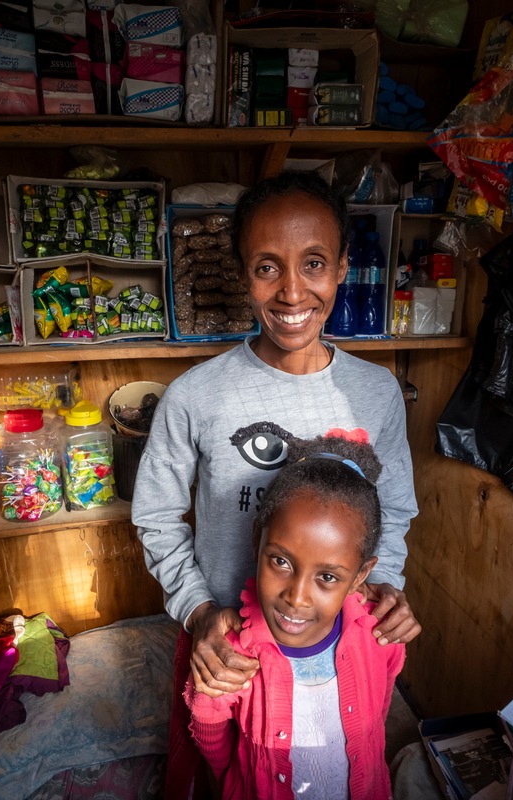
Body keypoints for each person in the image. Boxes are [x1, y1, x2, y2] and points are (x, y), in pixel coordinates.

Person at [132, 171, 420, 794]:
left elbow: (393, 510)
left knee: (342, 763)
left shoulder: (374, 393)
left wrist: (387, 581)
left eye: (313, 263)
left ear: (343, 267)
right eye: (268, 267)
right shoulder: (197, 397)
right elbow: (155, 517)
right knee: (221, 773)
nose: (292, 290)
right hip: (227, 646)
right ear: (243, 274)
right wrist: (200, 610)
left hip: (336, 644)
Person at [186, 434, 403, 799]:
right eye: (281, 562)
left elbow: (377, 713)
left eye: (328, 577)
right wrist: (233, 779)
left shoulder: (377, 633)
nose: (296, 598)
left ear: (360, 576)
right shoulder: (231, 654)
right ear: (257, 541)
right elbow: (210, 727)